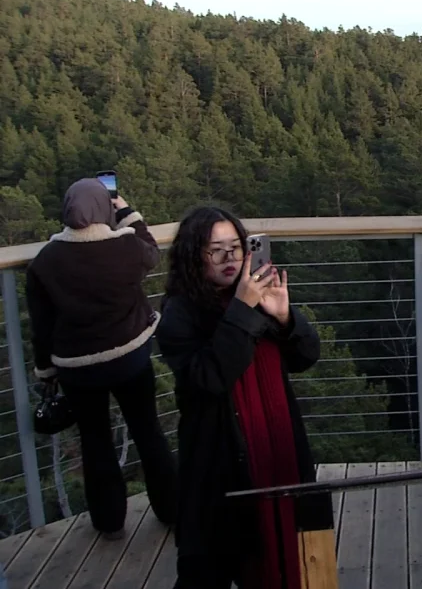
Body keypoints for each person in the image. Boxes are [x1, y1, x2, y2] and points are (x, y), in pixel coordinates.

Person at [157, 207, 333, 589]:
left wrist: (285, 319)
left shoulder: (256, 296)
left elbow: (306, 357)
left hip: (277, 446)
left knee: (285, 554)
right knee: (209, 565)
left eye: (235, 247)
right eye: (214, 250)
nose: (229, 258)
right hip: (218, 462)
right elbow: (209, 378)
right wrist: (242, 309)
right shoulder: (179, 313)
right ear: (192, 255)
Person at [25, 178, 177, 539]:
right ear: (103, 208)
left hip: (78, 370)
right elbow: (151, 250)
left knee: (95, 443)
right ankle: (172, 507)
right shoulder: (124, 248)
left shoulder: (45, 261)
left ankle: (108, 522)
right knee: (148, 433)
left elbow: (41, 325)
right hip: (130, 358)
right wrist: (126, 210)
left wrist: (46, 370)